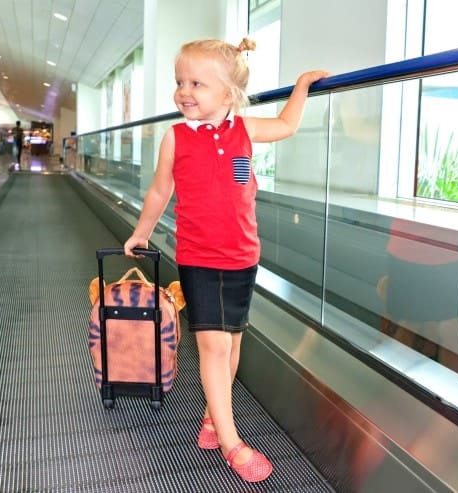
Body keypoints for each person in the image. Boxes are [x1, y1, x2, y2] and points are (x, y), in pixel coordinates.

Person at [123, 38, 329, 483]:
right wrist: (141, 232)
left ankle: (214, 417)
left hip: (243, 257)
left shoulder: (244, 130)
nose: (184, 91)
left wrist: (302, 86)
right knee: (213, 346)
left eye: (197, 83)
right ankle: (231, 443)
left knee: (232, 343)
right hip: (199, 257)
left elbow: (287, 125)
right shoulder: (175, 138)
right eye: (180, 82)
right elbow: (161, 190)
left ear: (228, 94)